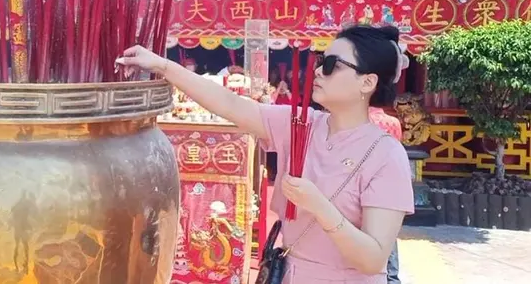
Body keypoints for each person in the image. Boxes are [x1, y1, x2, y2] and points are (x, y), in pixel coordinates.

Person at [117, 25, 414, 283]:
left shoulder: (386, 155)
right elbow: (230, 104)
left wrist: (320, 207)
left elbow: (374, 259)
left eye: (333, 64)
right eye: (321, 61)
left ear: (367, 82)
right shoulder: (300, 124)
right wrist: (163, 67)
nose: (318, 71)